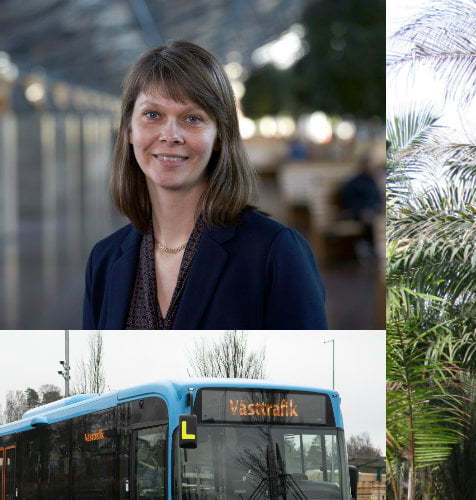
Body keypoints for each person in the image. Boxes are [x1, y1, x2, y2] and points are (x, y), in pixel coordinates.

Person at [84, 41, 327, 329]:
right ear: (129, 131)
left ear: (220, 137)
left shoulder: (275, 253)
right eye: (152, 115)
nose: (170, 135)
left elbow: (305, 373)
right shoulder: (105, 260)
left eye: (192, 118)